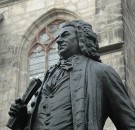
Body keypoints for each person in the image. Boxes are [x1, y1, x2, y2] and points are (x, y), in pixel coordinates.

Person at [8, 20, 135, 130]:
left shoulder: (101, 72)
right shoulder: (49, 76)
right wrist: (22, 117)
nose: (58, 41)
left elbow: (129, 123)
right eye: (58, 37)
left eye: (65, 35)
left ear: (81, 38)